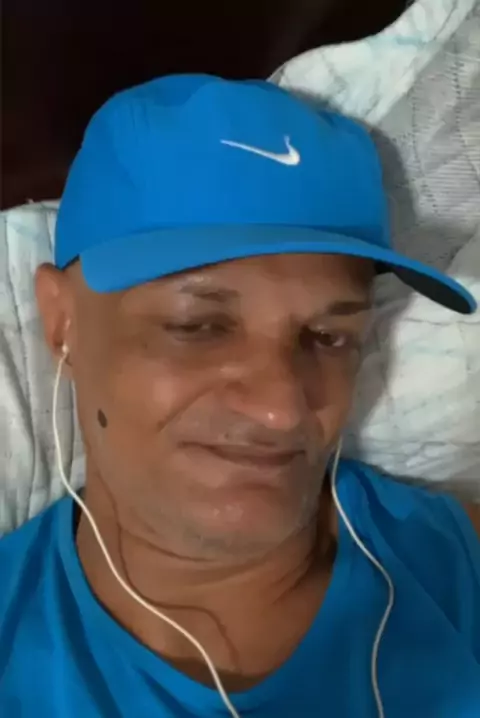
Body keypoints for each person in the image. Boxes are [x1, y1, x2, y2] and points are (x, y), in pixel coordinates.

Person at [0, 75, 479, 718]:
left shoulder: (454, 571)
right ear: (63, 322)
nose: (282, 408)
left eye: (328, 337)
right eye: (199, 326)